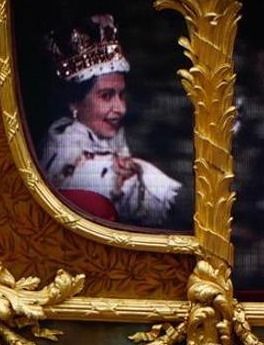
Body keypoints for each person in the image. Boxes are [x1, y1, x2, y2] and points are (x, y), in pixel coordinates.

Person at [39, 14, 181, 227]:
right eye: (106, 96)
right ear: (74, 104)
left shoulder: (108, 144)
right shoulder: (67, 153)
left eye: (121, 95)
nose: (121, 108)